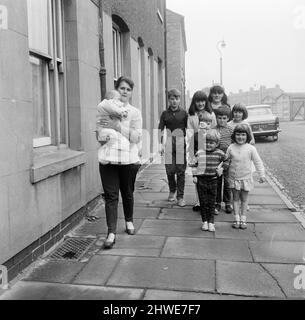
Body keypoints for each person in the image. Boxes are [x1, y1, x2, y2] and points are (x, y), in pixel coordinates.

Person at [97, 76, 142, 249]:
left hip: (129, 160)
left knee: (127, 192)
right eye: (122, 88)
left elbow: (136, 137)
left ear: (131, 93)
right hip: (108, 159)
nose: (124, 92)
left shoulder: (134, 112)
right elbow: (98, 134)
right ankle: (111, 233)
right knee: (111, 196)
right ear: (116, 89)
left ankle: (129, 221)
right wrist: (104, 136)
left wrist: (118, 127)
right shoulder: (105, 109)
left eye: (128, 89)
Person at [226, 124, 266, 230]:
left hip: (246, 179)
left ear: (247, 136)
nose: (240, 137)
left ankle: (243, 219)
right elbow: (225, 161)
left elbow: (258, 162)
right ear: (234, 135)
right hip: (234, 178)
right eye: (238, 134)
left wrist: (262, 174)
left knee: (244, 199)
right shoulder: (231, 147)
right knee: (234, 199)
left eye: (243, 135)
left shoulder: (251, 148)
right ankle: (236, 218)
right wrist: (221, 168)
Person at [192, 129, 228, 232]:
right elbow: (194, 164)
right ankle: (204, 222)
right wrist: (194, 175)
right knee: (203, 202)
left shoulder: (219, 153)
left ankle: (211, 222)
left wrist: (222, 168)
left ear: (216, 144)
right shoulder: (199, 153)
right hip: (201, 180)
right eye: (206, 142)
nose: (208, 145)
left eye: (211, 143)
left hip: (213, 180)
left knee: (212, 202)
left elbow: (227, 160)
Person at [186, 90, 216, 211]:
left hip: (209, 148)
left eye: (203, 100)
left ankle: (210, 202)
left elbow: (214, 130)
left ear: (206, 101)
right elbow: (189, 132)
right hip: (196, 148)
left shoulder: (211, 114)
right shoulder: (192, 116)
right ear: (194, 102)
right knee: (197, 177)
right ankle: (199, 201)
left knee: (209, 176)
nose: (200, 103)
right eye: (198, 101)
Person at [159, 89, 188, 207]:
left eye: (176, 98)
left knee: (181, 172)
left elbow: (189, 129)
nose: (174, 101)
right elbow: (160, 130)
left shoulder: (184, 113)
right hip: (169, 144)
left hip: (181, 144)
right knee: (170, 170)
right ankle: (172, 189)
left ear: (179, 99)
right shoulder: (165, 114)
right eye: (172, 98)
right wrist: (160, 145)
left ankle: (180, 197)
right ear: (169, 100)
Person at [96, 90, 130, 164]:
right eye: (117, 99)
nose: (119, 101)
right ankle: (106, 157)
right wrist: (122, 113)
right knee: (113, 137)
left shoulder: (114, 106)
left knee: (121, 140)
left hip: (111, 131)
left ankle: (119, 158)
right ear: (111, 99)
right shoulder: (106, 104)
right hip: (105, 131)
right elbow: (116, 110)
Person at [213, 107, 234, 214]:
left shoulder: (230, 130)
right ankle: (217, 203)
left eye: (224, 118)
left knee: (227, 183)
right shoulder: (213, 129)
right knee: (217, 182)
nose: (221, 120)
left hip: (227, 160)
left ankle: (227, 203)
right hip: (216, 160)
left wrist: (229, 158)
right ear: (216, 118)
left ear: (228, 118)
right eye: (219, 118)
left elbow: (234, 144)